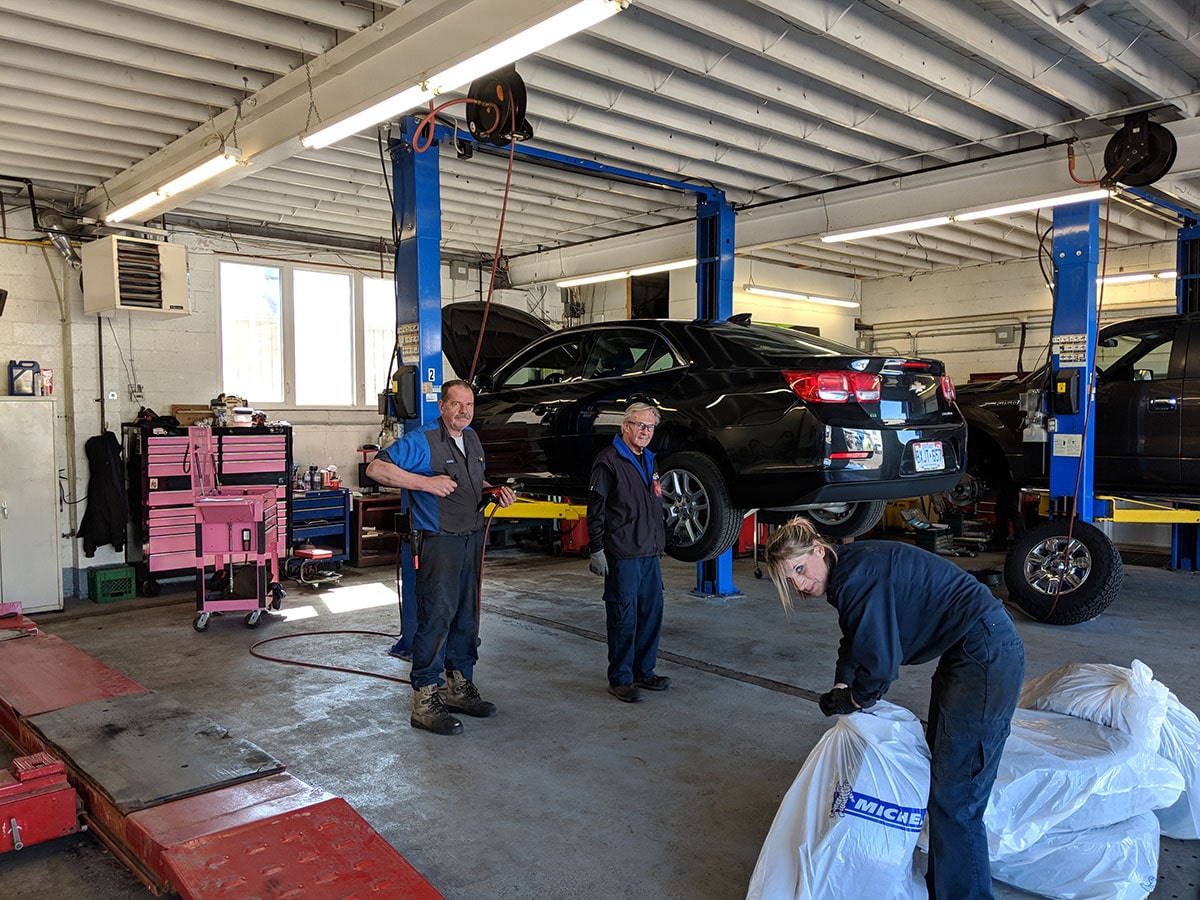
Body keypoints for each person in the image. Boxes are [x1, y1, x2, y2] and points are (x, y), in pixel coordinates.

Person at [763, 518, 1025, 900]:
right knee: (947, 782)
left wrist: (855, 698)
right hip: (967, 650)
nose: (800, 584)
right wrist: (842, 681)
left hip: (984, 652)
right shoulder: (849, 568)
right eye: (791, 581)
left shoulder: (853, 577)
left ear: (819, 549)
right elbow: (856, 637)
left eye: (800, 569)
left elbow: (881, 666)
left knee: (958, 797)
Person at [365, 379, 515, 736]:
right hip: (438, 542)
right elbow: (376, 468)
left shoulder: (473, 439)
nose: (464, 411)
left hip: (470, 538)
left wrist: (494, 491)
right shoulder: (424, 439)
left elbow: (472, 483)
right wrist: (425, 483)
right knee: (436, 616)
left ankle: (460, 687)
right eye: (457, 405)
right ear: (442, 407)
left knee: (467, 617)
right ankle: (426, 700)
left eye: (469, 405)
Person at [586, 402, 670, 703]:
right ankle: (620, 677)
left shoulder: (650, 460)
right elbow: (595, 509)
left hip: (649, 551)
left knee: (651, 614)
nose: (645, 432)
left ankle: (644, 671)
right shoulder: (609, 461)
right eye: (640, 425)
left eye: (650, 427)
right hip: (622, 552)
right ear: (626, 426)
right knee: (624, 616)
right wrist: (596, 548)